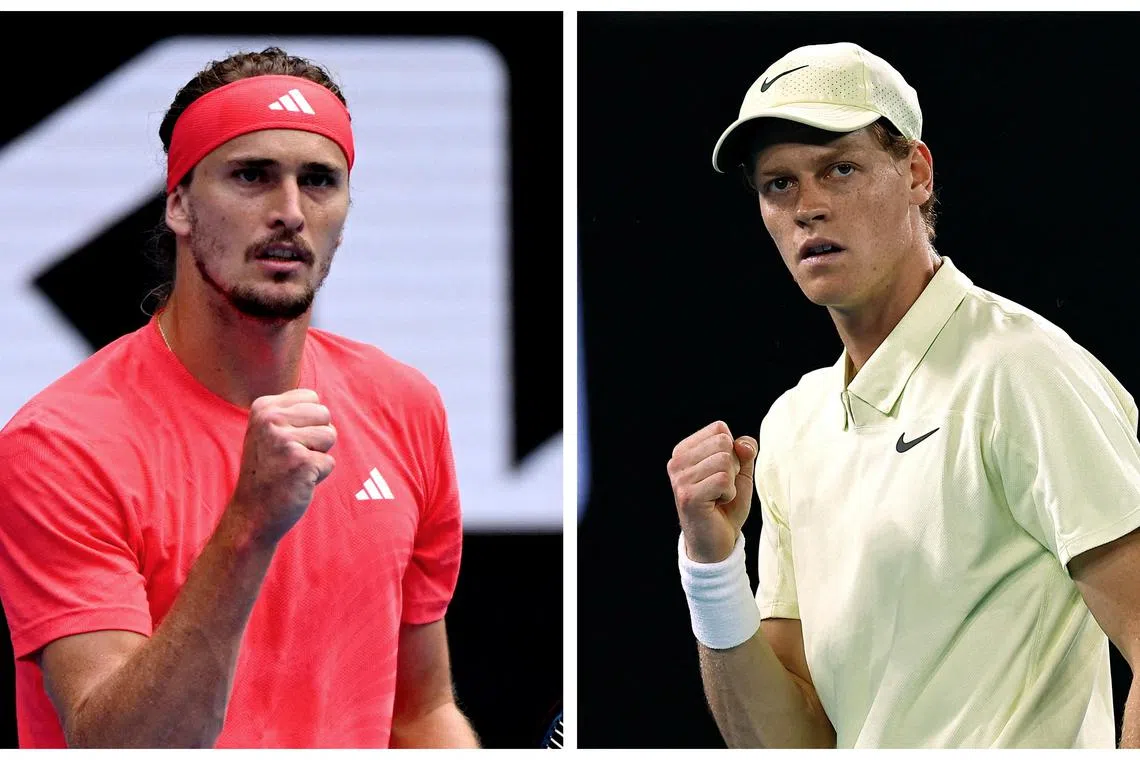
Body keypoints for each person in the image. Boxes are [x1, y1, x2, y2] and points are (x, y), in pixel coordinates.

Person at [0, 47, 480, 749]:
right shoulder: (59, 444)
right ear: (180, 205)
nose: (289, 212)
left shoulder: (405, 406)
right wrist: (250, 524)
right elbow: (120, 747)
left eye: (319, 181)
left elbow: (420, 713)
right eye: (252, 176)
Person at [667, 41, 1140, 749]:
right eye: (779, 185)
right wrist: (710, 566)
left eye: (841, 169)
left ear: (916, 173)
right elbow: (789, 742)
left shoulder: (1021, 372)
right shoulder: (794, 425)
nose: (808, 209)